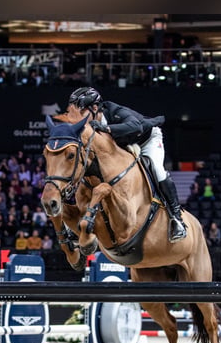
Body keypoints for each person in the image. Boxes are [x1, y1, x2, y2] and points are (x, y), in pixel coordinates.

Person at [68, 86, 187, 243]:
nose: (78, 117)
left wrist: (106, 128)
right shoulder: (87, 128)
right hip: (122, 145)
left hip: (146, 140)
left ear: (95, 108)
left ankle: (176, 219)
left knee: (157, 170)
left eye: (81, 112)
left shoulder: (115, 111)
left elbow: (136, 127)